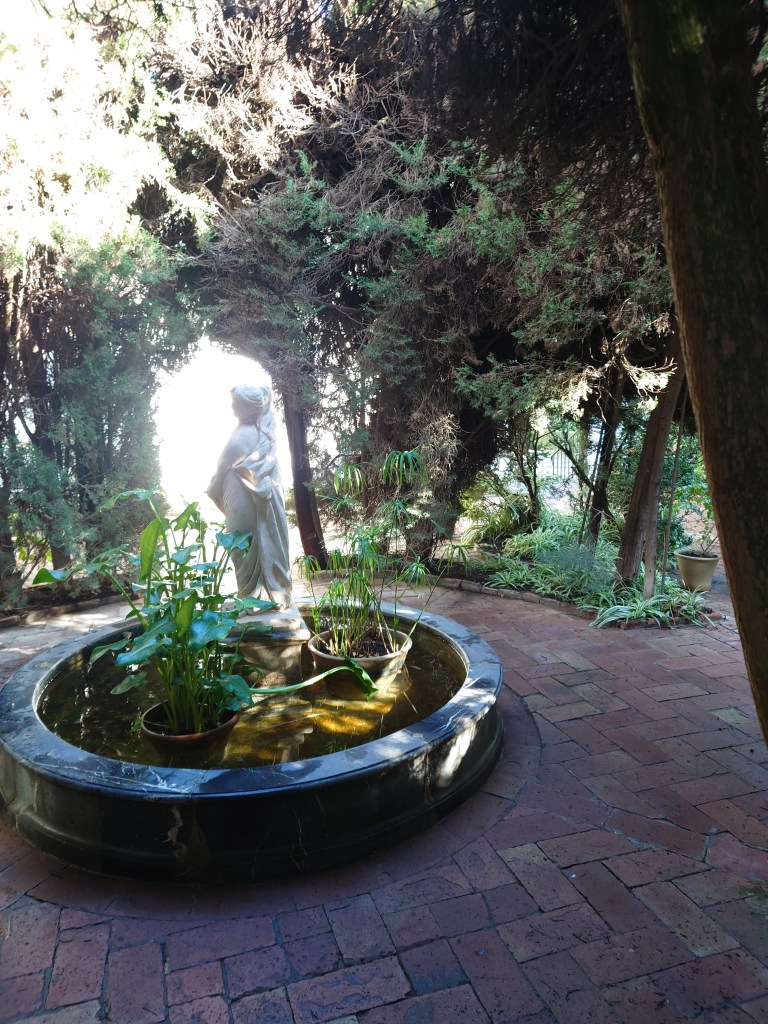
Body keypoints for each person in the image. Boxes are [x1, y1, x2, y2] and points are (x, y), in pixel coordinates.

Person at [208, 384, 292, 608]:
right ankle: (259, 596)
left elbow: (220, 472)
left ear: (250, 408)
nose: (232, 408)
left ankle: (251, 598)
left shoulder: (241, 436)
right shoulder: (263, 434)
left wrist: (213, 490)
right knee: (246, 549)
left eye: (236, 404)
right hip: (255, 501)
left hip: (242, 502)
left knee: (241, 548)